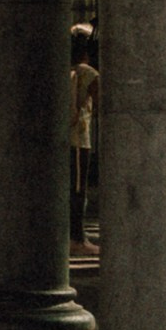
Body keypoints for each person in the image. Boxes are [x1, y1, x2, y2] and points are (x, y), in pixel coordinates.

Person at [71, 23, 100, 251]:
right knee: (79, 189)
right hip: (79, 139)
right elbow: (102, 106)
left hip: (64, 140)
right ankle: (77, 238)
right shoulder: (88, 73)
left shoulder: (65, 70)